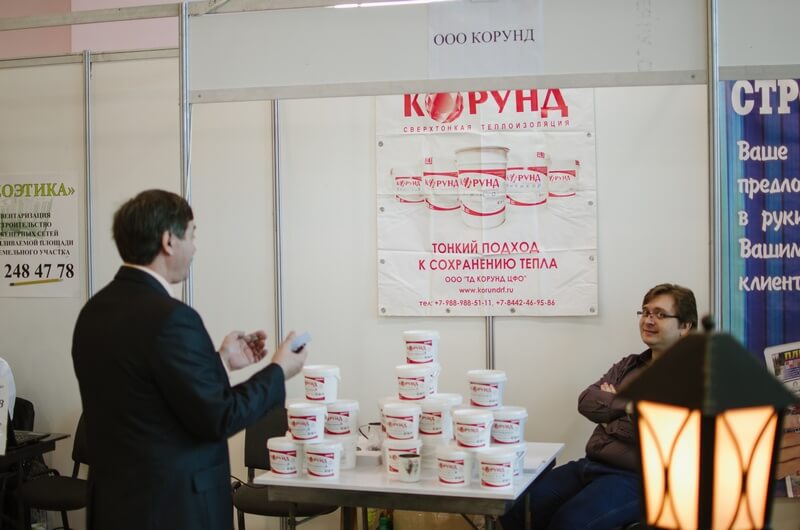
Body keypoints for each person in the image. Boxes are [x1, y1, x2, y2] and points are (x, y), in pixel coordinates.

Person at [71, 189, 307, 530]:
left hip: (113, 506)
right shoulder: (173, 319)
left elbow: (147, 392)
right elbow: (220, 417)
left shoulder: (93, 312)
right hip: (173, 508)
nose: (194, 247)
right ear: (169, 240)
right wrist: (278, 369)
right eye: (192, 235)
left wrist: (220, 361)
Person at [501, 283, 697, 530]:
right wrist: (629, 408)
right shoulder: (629, 365)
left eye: (660, 314)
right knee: (518, 506)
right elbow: (586, 401)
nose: (648, 320)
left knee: (568, 523)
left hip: (640, 479)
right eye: (646, 312)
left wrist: (611, 414)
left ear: (685, 326)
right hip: (592, 463)